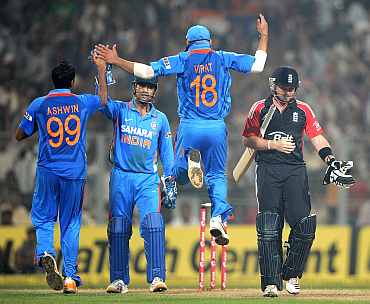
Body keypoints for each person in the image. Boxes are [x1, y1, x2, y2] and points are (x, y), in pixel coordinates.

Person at [94, 14, 269, 246]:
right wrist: (263, 35)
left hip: (190, 125)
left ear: (188, 43)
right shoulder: (223, 57)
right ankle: (217, 218)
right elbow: (258, 65)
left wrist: (116, 60)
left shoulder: (182, 59)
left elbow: (146, 72)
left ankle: (178, 175)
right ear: (210, 42)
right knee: (216, 175)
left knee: (176, 169)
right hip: (216, 126)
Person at [242, 66, 355, 297]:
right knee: (269, 226)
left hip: (295, 170)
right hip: (267, 169)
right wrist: (273, 145)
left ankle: (292, 275)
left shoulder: (303, 109)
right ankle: (271, 283)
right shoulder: (260, 108)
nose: (288, 93)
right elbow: (248, 141)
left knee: (304, 225)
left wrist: (330, 160)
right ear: (273, 86)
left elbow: (317, 137)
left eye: (292, 89)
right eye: (284, 88)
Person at [15, 56, 107, 294]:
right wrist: (101, 69)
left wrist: (38, 125)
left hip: (48, 170)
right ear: (73, 82)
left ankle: (45, 252)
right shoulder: (82, 102)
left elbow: (19, 135)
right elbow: (104, 100)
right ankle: (69, 277)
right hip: (74, 172)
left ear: (52, 81)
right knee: (71, 223)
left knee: (44, 218)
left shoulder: (39, 104)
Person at [99, 75, 176, 294]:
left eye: (150, 87)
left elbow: (167, 153)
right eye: (141, 85)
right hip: (122, 176)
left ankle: (157, 277)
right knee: (119, 228)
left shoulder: (160, 119)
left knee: (153, 224)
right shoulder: (121, 110)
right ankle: (118, 280)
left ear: (155, 91)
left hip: (147, 180)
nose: (145, 90)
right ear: (134, 88)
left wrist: (169, 181)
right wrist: (103, 73)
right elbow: (103, 103)